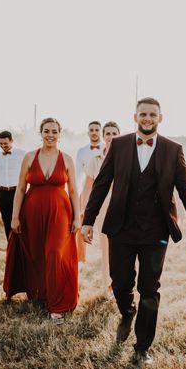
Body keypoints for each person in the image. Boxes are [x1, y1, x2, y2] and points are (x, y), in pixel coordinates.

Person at [81, 97, 186, 365]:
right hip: (121, 228)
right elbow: (102, 184)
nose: (148, 118)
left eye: (153, 114)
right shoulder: (118, 145)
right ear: (135, 117)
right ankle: (127, 312)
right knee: (120, 281)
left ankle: (142, 348)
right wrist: (88, 220)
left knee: (149, 288)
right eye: (143, 114)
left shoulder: (173, 150)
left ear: (160, 118)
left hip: (155, 231)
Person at [3, 118, 81, 321]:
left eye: (54, 132)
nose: (50, 135)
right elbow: (21, 189)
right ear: (41, 133)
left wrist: (77, 217)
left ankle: (57, 304)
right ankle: (40, 294)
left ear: (59, 134)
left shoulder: (67, 159)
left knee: (55, 253)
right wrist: (15, 217)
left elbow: (73, 190)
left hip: (61, 213)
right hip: (32, 213)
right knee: (36, 253)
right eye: (47, 131)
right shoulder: (29, 157)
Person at [82, 121, 120, 291]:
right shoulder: (95, 160)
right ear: (103, 137)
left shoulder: (128, 157)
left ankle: (126, 286)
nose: (111, 137)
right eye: (108, 134)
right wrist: (85, 211)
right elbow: (87, 188)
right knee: (106, 249)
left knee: (125, 248)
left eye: (114, 133)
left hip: (124, 207)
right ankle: (108, 286)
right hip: (103, 208)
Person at [75, 121, 105, 269]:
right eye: (91, 130)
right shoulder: (82, 151)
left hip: (106, 193)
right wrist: (77, 195)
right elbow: (78, 174)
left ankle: (106, 257)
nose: (94, 132)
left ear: (100, 132)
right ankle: (81, 259)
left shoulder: (109, 149)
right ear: (88, 133)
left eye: (96, 130)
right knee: (83, 224)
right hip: (86, 192)